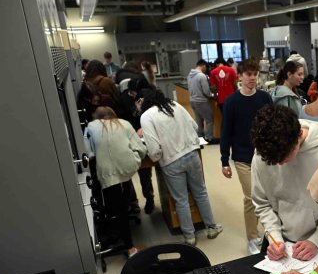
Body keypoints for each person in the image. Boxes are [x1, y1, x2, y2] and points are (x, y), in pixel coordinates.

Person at [250, 105, 318, 261]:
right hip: (277, 242)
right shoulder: (264, 152)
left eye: (285, 156)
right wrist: (274, 237)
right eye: (274, 161)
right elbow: (262, 203)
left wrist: (317, 240)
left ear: (299, 135)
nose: (280, 164)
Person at [139, 89, 223, 245]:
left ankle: (190, 237)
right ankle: (212, 227)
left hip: (171, 161)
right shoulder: (174, 105)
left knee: (181, 200)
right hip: (192, 154)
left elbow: (154, 148)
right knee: (201, 193)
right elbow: (193, 126)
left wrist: (157, 158)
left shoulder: (146, 117)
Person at [220, 59, 273, 254]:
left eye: (255, 74)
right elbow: (226, 131)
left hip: (265, 155)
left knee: (269, 195)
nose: (252, 78)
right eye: (248, 74)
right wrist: (224, 160)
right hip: (242, 157)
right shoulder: (231, 102)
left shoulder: (265, 98)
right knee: (251, 197)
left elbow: (272, 124)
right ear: (240, 76)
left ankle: (271, 232)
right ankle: (252, 237)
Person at [84, 106, 146, 257]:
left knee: (119, 211)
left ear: (96, 117)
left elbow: (89, 153)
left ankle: (129, 246)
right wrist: (135, 160)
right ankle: (129, 245)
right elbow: (141, 149)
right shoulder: (124, 123)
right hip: (127, 168)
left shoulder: (90, 127)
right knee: (124, 202)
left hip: (107, 174)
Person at [117, 77, 155, 214]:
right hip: (130, 139)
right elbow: (119, 121)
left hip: (148, 137)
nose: (138, 99)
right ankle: (135, 203)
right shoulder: (122, 100)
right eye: (134, 95)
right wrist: (133, 132)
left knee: (146, 174)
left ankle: (149, 198)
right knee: (133, 173)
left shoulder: (149, 96)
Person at [187, 59, 214, 142]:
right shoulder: (201, 76)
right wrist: (212, 94)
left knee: (199, 120)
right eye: (206, 67)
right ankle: (208, 138)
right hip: (201, 101)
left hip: (192, 100)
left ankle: (200, 137)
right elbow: (206, 91)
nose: (206, 70)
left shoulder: (189, 75)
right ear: (203, 66)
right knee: (209, 120)